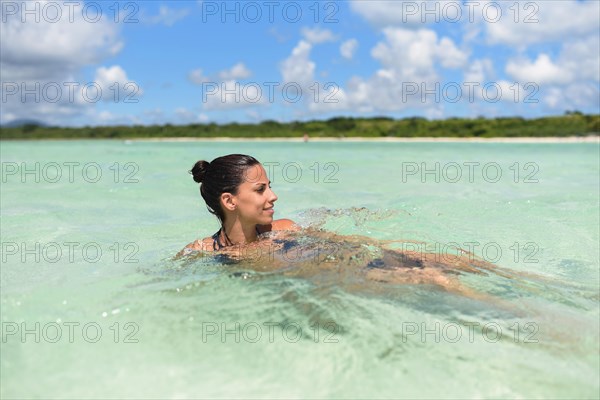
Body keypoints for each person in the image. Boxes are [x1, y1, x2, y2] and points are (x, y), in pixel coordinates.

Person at [178, 154, 298, 256]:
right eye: (260, 189)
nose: (273, 196)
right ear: (229, 201)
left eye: (269, 186)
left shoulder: (286, 231)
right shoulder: (200, 251)